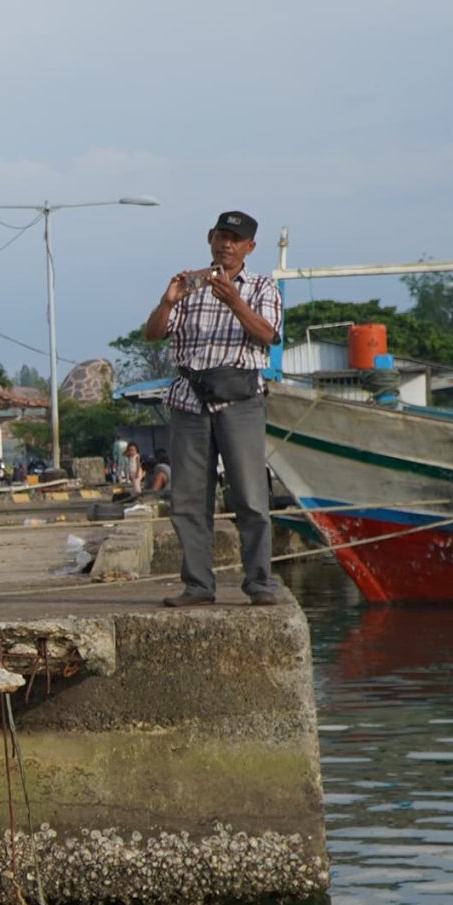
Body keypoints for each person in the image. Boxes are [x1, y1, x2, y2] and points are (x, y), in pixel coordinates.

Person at [142, 210, 284, 607]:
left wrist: (235, 302)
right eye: (221, 236)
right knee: (188, 500)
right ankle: (198, 586)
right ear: (210, 238)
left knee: (251, 497)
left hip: (239, 399)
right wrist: (167, 302)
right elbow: (153, 334)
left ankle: (260, 583)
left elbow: (269, 335)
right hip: (189, 399)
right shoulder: (189, 284)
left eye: (235, 240)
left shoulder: (262, 287)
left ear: (249, 247)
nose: (227, 245)